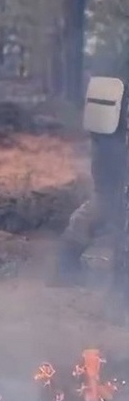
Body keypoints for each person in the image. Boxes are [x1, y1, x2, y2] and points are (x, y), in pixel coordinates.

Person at [55, 54, 127, 279]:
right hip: (116, 144)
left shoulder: (117, 61)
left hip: (107, 144)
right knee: (107, 202)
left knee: (104, 202)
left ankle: (65, 263)